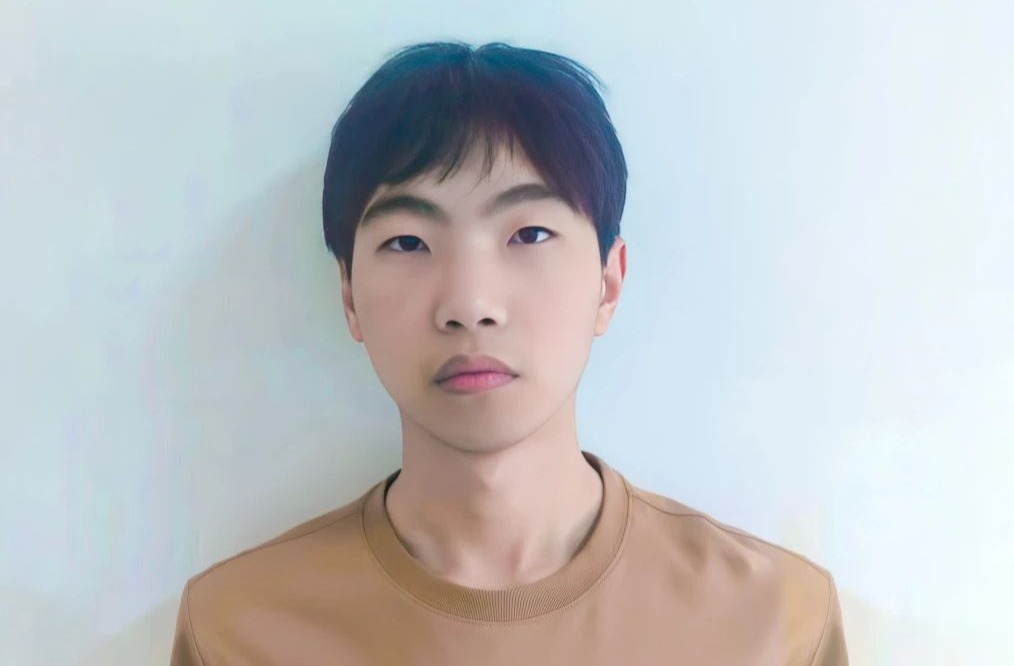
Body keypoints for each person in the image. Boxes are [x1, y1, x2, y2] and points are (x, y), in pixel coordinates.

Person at [170, 40, 848, 665]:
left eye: (528, 233)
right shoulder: (237, 630)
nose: (470, 304)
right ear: (349, 295)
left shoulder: (773, 621)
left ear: (609, 282)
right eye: (407, 242)